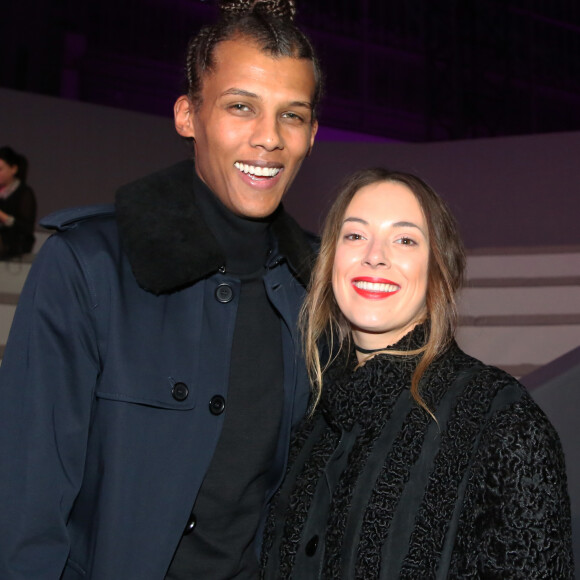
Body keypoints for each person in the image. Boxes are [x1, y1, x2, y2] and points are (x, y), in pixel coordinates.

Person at [0, 1, 321, 578]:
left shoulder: (315, 291)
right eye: (241, 106)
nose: (269, 138)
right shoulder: (87, 266)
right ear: (187, 116)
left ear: (311, 133)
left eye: (291, 115)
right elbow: (26, 509)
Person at [261, 168, 575, 578]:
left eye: (405, 239)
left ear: (438, 269)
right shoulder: (307, 413)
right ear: (329, 259)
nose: (374, 255)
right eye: (355, 235)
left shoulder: (501, 420)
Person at [0, 146, 37, 258]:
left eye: (0, 169)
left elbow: (26, 227)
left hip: (16, 242)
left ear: (13, 169)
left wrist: (3, 216)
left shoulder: (24, 192)